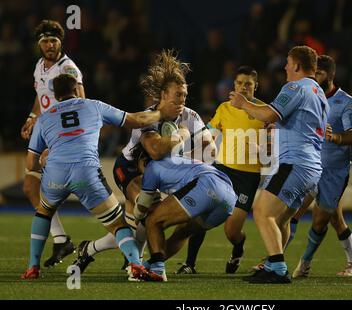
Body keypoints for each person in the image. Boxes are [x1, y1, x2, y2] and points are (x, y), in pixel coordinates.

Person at [21, 73, 176, 281]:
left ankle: (32, 268)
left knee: (44, 211)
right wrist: (160, 113)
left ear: (56, 96)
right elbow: (135, 120)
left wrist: (44, 161)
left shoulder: (45, 117)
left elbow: (31, 164)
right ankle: (136, 264)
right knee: (118, 224)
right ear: (77, 90)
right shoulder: (92, 105)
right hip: (86, 173)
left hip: (55, 174)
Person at [73, 50, 215, 273]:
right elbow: (155, 151)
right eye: (177, 95)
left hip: (159, 172)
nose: (182, 100)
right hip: (129, 170)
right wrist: (183, 137)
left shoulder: (190, 115)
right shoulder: (150, 116)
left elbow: (210, 148)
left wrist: (190, 149)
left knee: (134, 228)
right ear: (163, 96)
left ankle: (90, 249)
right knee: (149, 213)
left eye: (185, 95)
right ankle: (136, 264)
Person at [230, 45, 329, 284]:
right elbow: (302, 123)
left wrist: (243, 104)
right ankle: (273, 263)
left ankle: (278, 268)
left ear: (296, 65)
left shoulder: (295, 86)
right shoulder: (318, 91)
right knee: (281, 219)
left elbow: (269, 114)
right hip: (311, 167)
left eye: (287, 62)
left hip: (295, 163)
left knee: (262, 212)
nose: (284, 67)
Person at [176, 66, 267, 275]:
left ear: (256, 86)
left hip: (248, 177)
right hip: (222, 170)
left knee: (231, 231)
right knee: (201, 215)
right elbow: (208, 133)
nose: (243, 87)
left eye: (248, 84)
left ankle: (238, 249)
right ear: (234, 85)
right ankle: (190, 264)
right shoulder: (225, 108)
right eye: (239, 83)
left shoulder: (265, 111)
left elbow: (273, 144)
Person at [283, 55, 352, 278]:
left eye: (319, 73)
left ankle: (306, 262)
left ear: (331, 75)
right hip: (309, 165)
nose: (315, 77)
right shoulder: (307, 96)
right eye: (314, 73)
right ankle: (274, 260)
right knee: (290, 211)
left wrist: (336, 137)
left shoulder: (346, 102)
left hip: (333, 172)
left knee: (322, 220)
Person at [20, 20, 85, 267]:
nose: (50, 45)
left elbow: (81, 104)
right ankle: (61, 240)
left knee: (80, 193)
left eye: (54, 41)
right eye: (45, 41)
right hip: (45, 133)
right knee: (31, 187)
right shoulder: (40, 66)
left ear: (61, 43)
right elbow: (41, 98)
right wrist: (31, 118)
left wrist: (63, 139)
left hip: (62, 138)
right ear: (39, 44)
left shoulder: (68, 68)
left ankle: (126, 241)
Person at [133, 153, 237, 281]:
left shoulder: (152, 166)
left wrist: (136, 217)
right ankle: (150, 266)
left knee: (153, 221)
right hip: (229, 199)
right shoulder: (177, 158)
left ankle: (158, 270)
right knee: (183, 232)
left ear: (144, 160)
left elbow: (142, 206)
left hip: (207, 184)